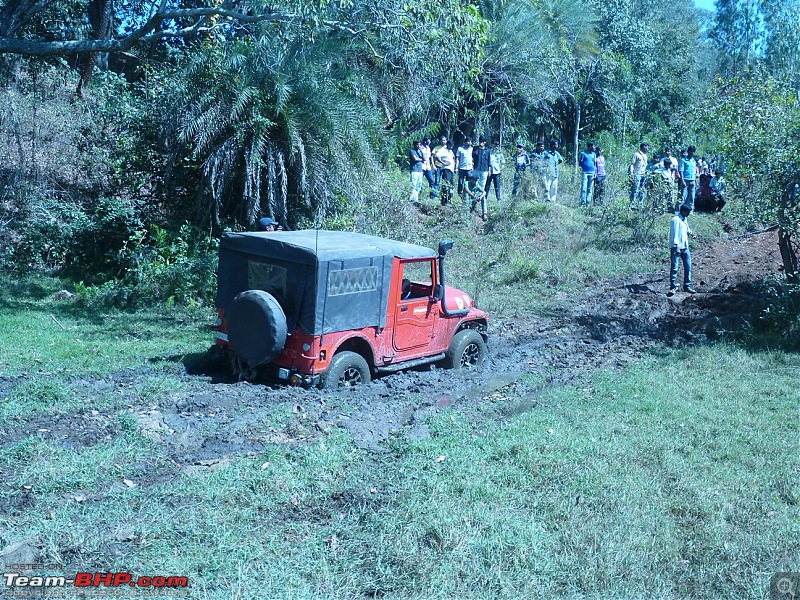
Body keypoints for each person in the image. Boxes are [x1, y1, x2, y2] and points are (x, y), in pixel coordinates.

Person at [668, 204, 696, 295]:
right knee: (675, 267)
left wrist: (692, 234)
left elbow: (687, 229)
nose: (688, 214)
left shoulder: (684, 219)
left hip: (685, 246)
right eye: (688, 212)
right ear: (683, 211)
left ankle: (687, 285)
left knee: (688, 267)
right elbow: (674, 234)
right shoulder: (675, 220)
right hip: (677, 247)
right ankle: (673, 287)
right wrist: (676, 246)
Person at [433, 137, 456, 206]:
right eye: (451, 145)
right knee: (446, 185)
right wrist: (443, 162)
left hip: (451, 170)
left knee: (451, 186)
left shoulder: (450, 151)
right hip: (446, 169)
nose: (452, 146)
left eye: (452, 145)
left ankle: (449, 200)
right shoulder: (443, 150)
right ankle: (444, 201)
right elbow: (436, 156)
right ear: (448, 144)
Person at [628, 142, 649, 209]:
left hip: (644, 175)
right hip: (637, 174)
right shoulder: (636, 155)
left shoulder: (645, 156)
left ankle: (640, 205)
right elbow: (632, 164)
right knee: (635, 189)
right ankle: (631, 204)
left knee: (642, 190)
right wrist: (631, 174)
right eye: (647, 147)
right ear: (643, 147)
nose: (648, 148)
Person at [679, 145, 698, 211]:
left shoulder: (694, 161)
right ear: (688, 152)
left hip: (692, 180)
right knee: (682, 195)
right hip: (685, 179)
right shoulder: (683, 160)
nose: (692, 153)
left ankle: (690, 210)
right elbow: (681, 171)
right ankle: (678, 209)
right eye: (691, 151)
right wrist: (682, 181)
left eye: (693, 151)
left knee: (691, 196)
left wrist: (695, 179)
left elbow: (695, 171)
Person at [579, 142, 597, 206]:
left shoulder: (594, 154)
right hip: (585, 173)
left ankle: (588, 203)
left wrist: (595, 173)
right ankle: (582, 203)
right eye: (593, 146)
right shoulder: (583, 153)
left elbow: (595, 164)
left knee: (590, 189)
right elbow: (580, 163)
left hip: (592, 173)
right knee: (584, 188)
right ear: (590, 147)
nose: (594, 148)